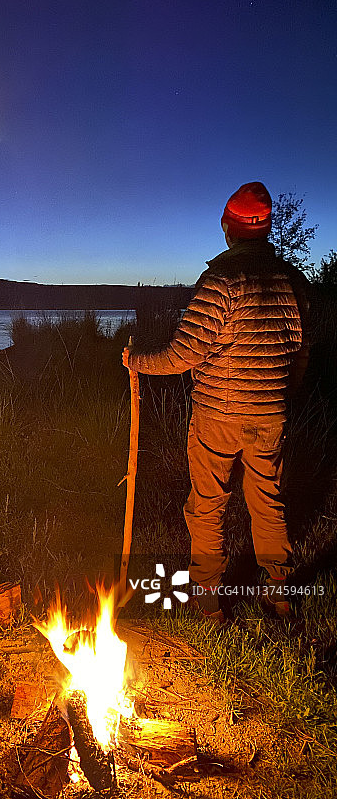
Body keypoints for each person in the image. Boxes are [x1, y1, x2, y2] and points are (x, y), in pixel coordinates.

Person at [122, 182, 309, 622]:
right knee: (268, 500)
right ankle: (278, 592)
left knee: (208, 503)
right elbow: (300, 353)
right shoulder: (292, 282)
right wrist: (279, 396)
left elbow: (184, 355)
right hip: (269, 415)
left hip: (218, 416)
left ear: (228, 227)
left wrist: (137, 362)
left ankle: (208, 598)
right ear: (265, 228)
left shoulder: (221, 281)